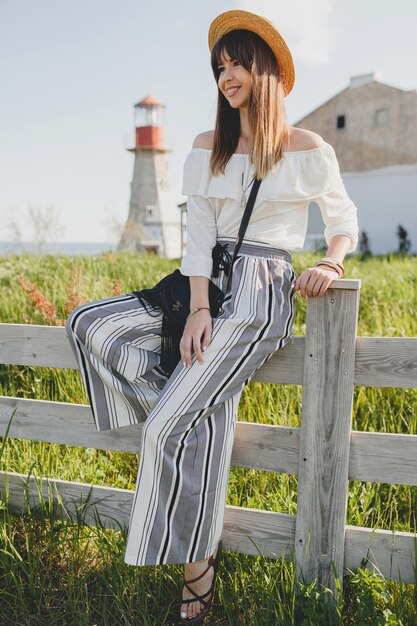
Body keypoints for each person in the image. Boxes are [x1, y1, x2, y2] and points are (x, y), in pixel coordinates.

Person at [65, 9, 359, 624]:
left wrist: (329, 266)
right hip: (205, 284)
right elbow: (197, 235)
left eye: (235, 62)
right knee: (91, 326)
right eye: (218, 66)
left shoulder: (308, 149)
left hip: (260, 292)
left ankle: (196, 583)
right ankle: (190, 406)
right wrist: (197, 305)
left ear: (265, 68)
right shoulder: (208, 147)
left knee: (163, 431)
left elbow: (342, 224)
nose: (224, 75)